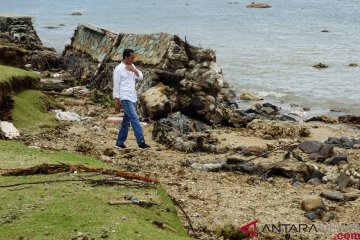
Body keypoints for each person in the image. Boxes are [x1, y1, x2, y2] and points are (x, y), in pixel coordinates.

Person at [113, 49, 150, 149]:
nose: (133, 60)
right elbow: (116, 86)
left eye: (134, 57)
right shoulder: (118, 69)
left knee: (126, 121)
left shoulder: (132, 66)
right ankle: (141, 142)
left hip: (132, 96)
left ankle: (119, 143)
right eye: (132, 58)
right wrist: (117, 101)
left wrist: (134, 70)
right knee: (134, 118)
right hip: (124, 97)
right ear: (126, 57)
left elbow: (141, 77)